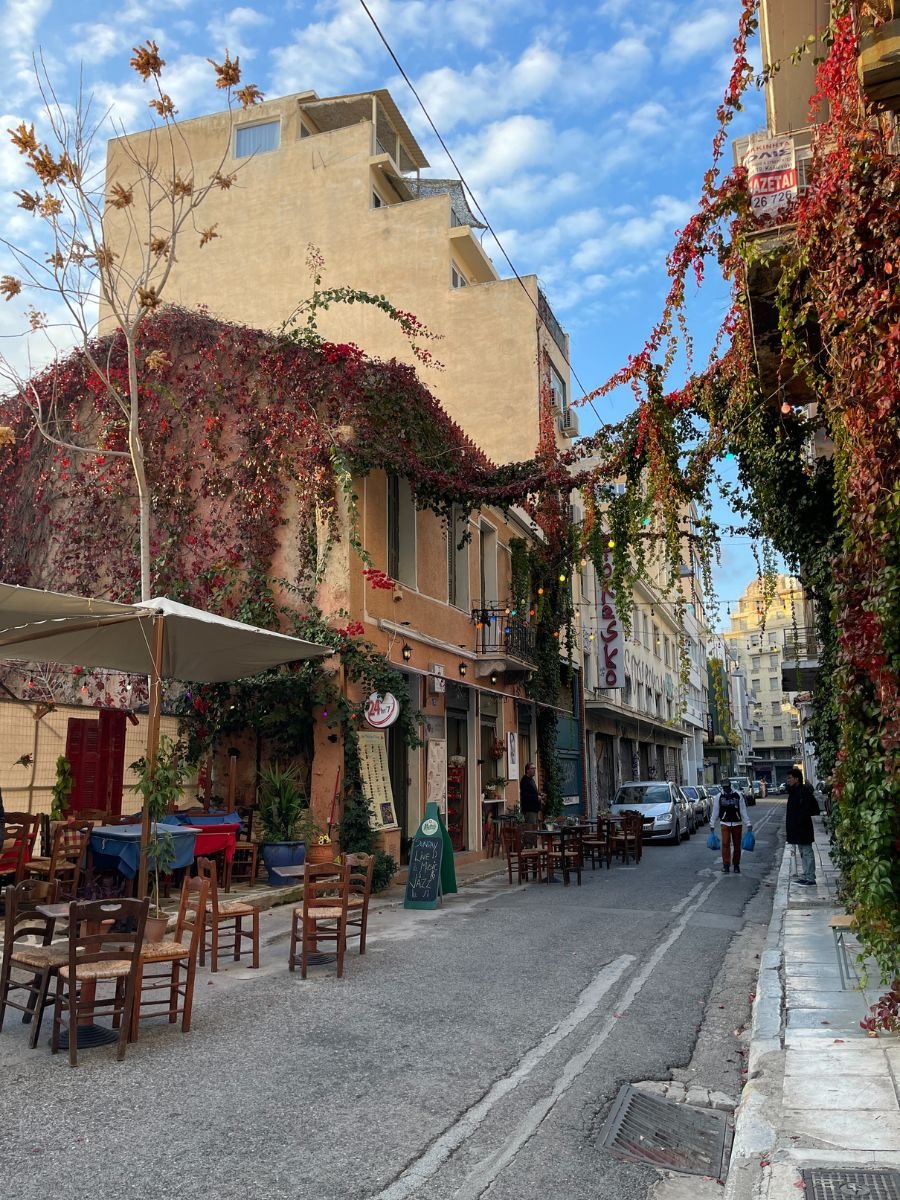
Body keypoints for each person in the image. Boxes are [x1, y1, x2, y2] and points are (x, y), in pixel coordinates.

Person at [785, 767, 820, 885]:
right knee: (802, 852)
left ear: (797, 779)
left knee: (807, 851)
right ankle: (805, 875)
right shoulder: (794, 791)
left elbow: (809, 808)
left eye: (790, 778)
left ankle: (810, 877)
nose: (788, 780)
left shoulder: (803, 791)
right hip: (797, 828)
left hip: (803, 827)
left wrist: (800, 821)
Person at [710, 780, 751, 874]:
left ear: (730, 786)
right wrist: (712, 823)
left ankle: (736, 865)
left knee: (737, 845)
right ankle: (726, 865)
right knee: (725, 844)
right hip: (725, 823)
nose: (726, 789)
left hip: (737, 823)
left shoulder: (738, 795)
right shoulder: (719, 797)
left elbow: (743, 810)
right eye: (724, 787)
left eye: (727, 787)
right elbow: (715, 811)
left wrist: (748, 823)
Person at [519, 762, 542, 829]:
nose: (534, 770)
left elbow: (532, 792)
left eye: (535, 768)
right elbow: (525, 795)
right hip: (529, 810)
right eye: (532, 768)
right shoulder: (525, 780)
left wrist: (539, 794)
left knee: (534, 829)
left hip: (534, 809)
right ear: (527, 770)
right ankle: (529, 840)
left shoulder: (531, 780)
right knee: (530, 830)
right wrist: (536, 797)